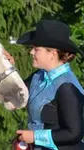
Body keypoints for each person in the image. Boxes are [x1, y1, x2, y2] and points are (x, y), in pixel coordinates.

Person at [10, 19, 84, 150]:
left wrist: (35, 136)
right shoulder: (38, 76)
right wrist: (7, 67)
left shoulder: (67, 87)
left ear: (53, 54)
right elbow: (17, 94)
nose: (31, 52)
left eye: (36, 49)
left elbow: (74, 133)